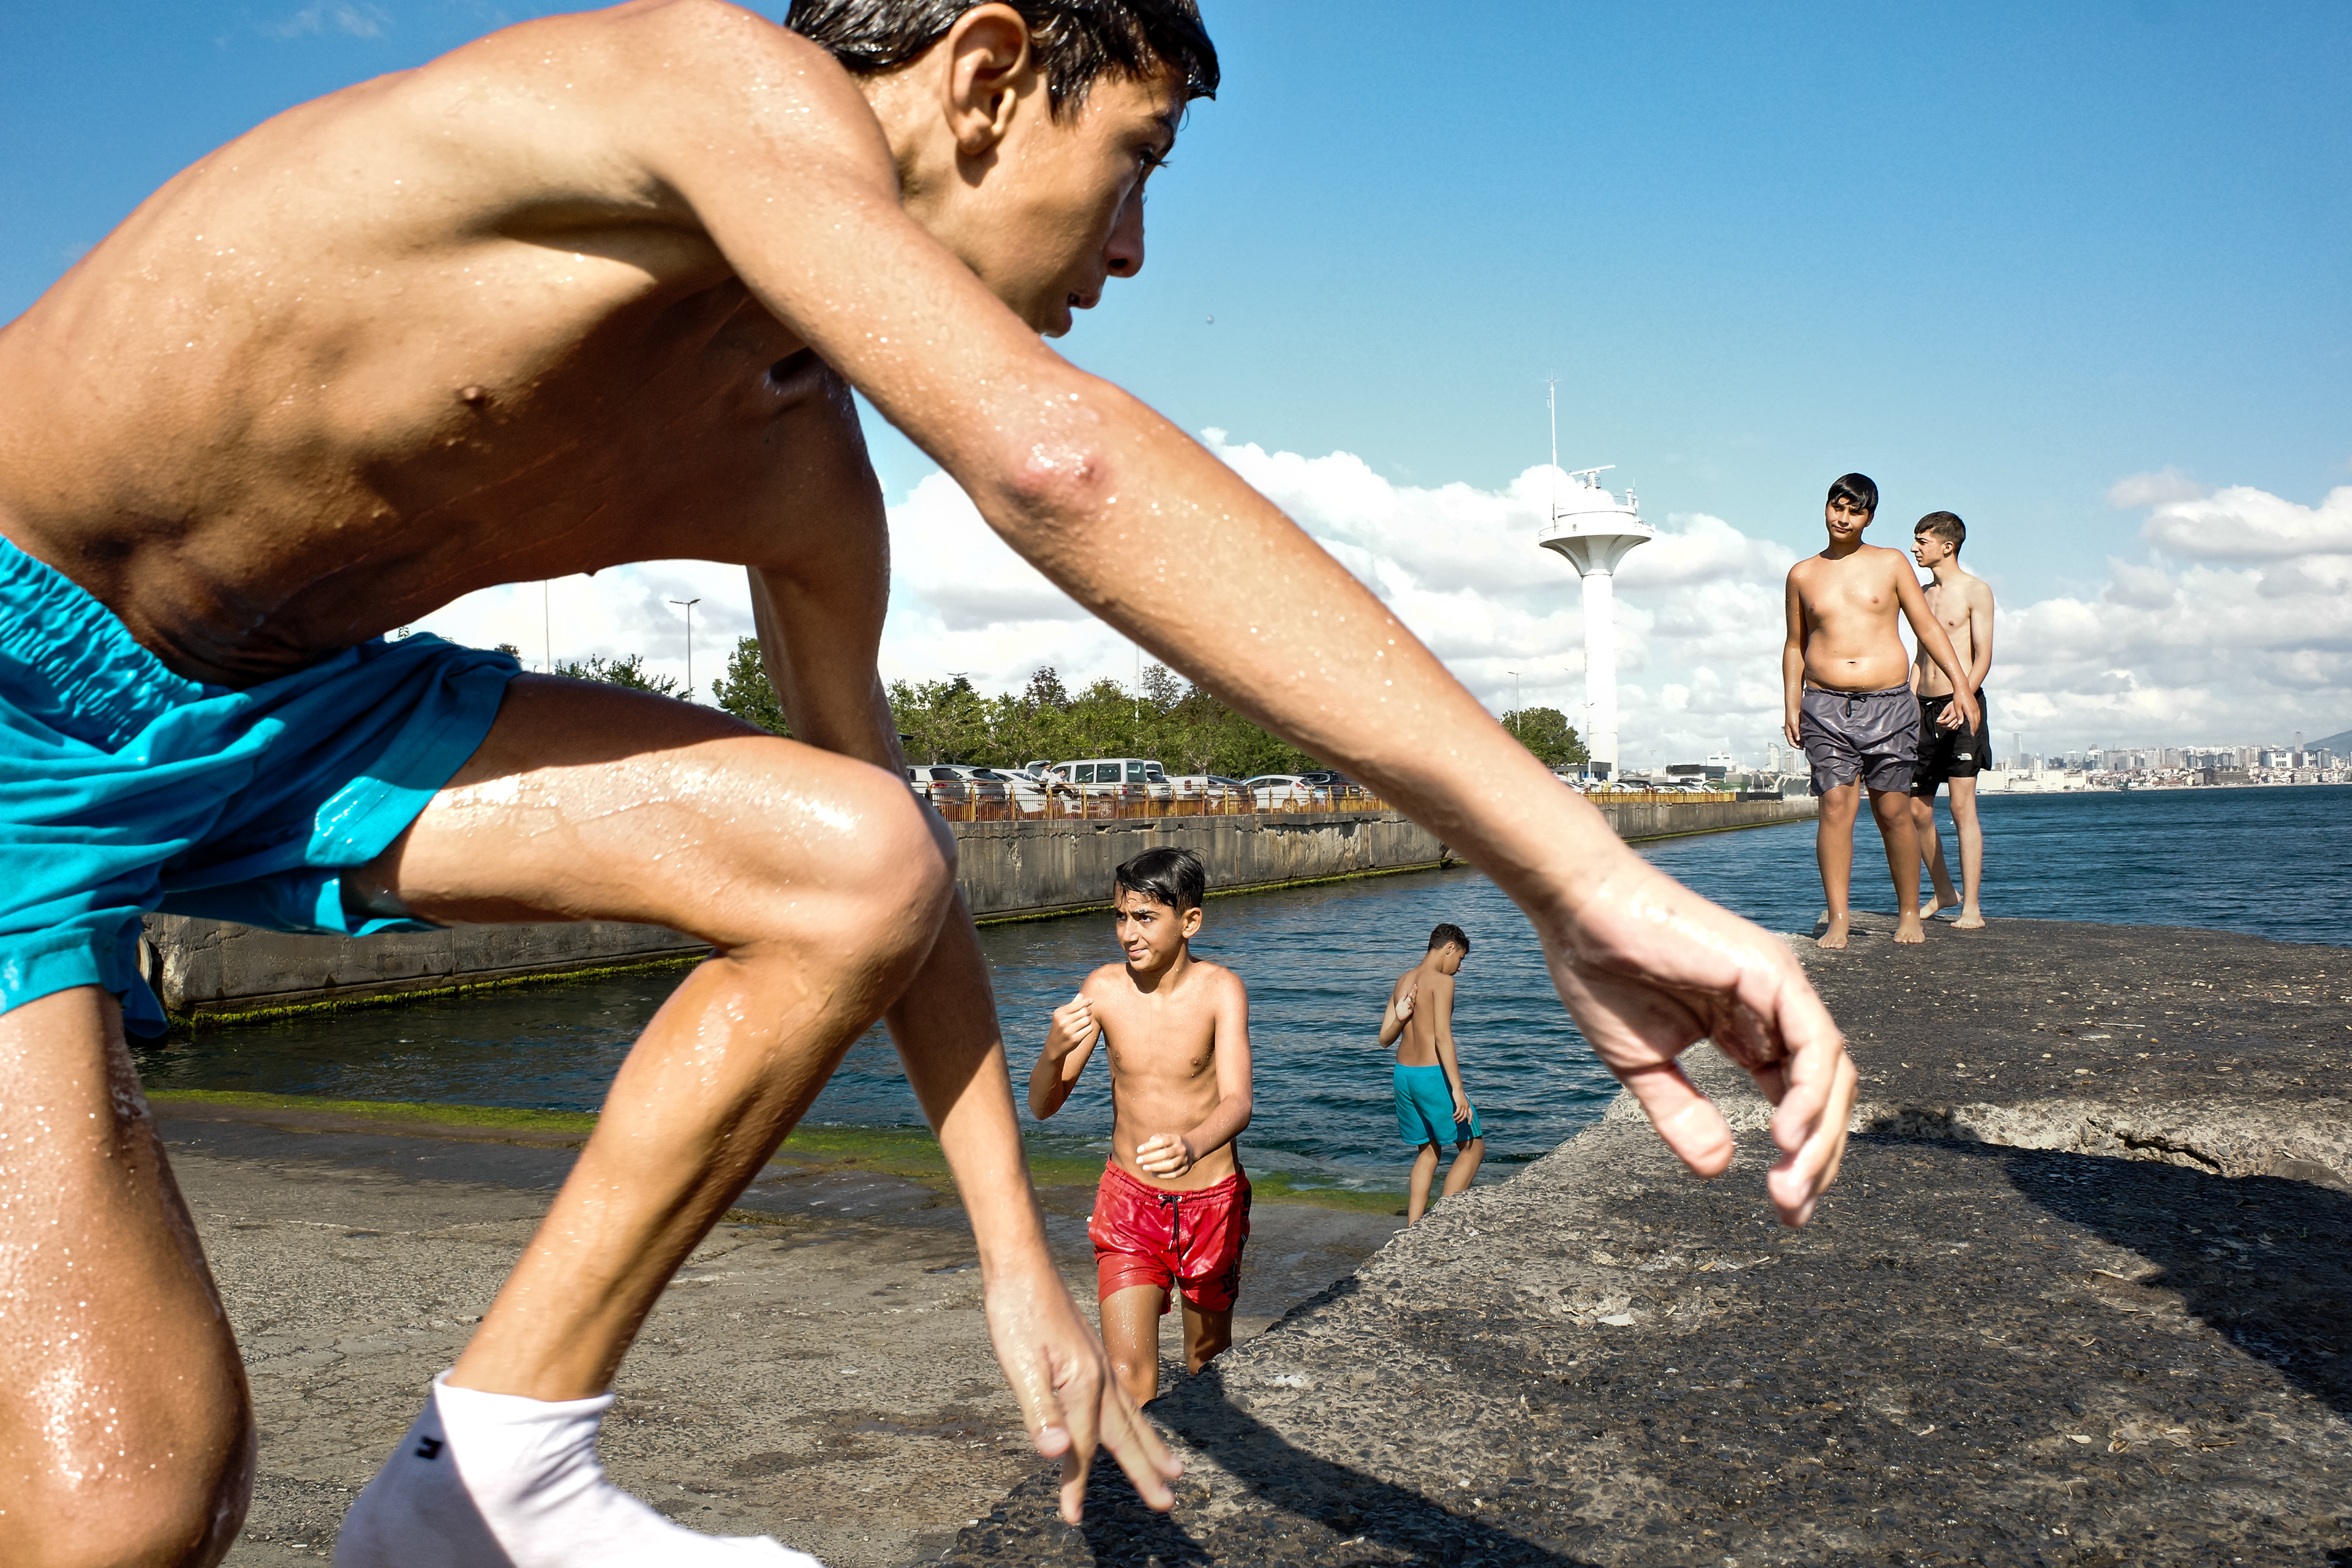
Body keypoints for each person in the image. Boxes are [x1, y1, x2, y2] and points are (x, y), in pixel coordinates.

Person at [0, 1, 1860, 1561]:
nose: (1129, 255)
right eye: (1130, 168)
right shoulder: (713, 88)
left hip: (286, 721)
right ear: (979, 79)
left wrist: (1013, 1264)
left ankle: (488, 1470)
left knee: (856, 850)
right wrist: (1576, 872)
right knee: (133, 1502)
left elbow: (905, 905)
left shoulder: (794, 469)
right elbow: (1053, 465)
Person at [1027, 848, 1251, 1408]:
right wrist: (1053, 1052)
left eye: (1145, 918)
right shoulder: (1103, 989)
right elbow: (1042, 1105)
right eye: (1121, 917)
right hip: (1130, 1204)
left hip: (1210, 1205)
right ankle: (1132, 1491)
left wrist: (1193, 1143)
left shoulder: (1221, 990)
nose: (1128, 933)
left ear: (1190, 921)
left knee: (1206, 1368)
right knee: (1127, 1376)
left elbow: (1239, 1101)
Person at [1782, 474, 1980, 950]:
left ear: (1868, 517)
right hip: (1825, 705)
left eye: (1854, 511)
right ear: (1826, 508)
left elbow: (1928, 628)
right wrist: (1791, 701)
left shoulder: (1891, 563)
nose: (1842, 518)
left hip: (1890, 703)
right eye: (1836, 507)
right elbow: (1794, 644)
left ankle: (1910, 912)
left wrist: (1962, 687)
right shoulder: (1802, 574)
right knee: (1835, 806)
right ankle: (1838, 918)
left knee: (1894, 811)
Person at [1907, 511, 1995, 929]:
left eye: (1921, 540)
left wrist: (1964, 697)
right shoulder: (1921, 596)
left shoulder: (1977, 591)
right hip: (1921, 709)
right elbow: (1920, 658)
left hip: (1962, 706)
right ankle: (1944, 891)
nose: (1914, 548)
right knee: (1916, 810)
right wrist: (1904, 705)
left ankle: (1971, 907)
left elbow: (1983, 656)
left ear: (1947, 545)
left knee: (1962, 807)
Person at [1380, 922, 1484, 1224]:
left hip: (1403, 1076)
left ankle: (1413, 1228)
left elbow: (1384, 1039)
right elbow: (1442, 1037)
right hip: (1431, 1076)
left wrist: (1401, 1019)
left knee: (1428, 1151)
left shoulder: (1403, 980)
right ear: (1449, 948)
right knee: (1473, 1147)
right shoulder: (1442, 982)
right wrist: (1458, 1090)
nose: (1459, 968)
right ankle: (1442, 1224)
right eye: (1461, 959)